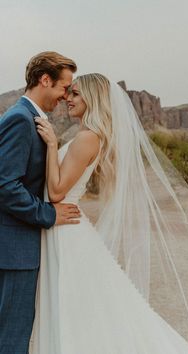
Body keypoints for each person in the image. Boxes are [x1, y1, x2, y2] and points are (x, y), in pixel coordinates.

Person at [31, 73, 188, 353]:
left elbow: (57, 192)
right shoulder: (87, 135)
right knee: (84, 308)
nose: (68, 99)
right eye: (69, 93)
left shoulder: (87, 138)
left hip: (67, 231)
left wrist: (51, 145)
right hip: (64, 227)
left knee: (77, 308)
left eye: (76, 94)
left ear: (93, 99)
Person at [0, 52, 81, 354]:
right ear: (45, 80)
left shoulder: (28, 117)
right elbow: (5, 185)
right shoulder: (20, 119)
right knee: (12, 336)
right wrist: (48, 213)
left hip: (16, 248)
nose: (65, 95)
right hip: (13, 250)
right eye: (64, 87)